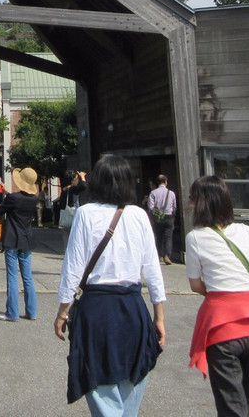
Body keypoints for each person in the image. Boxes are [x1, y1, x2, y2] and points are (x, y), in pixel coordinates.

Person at [53, 155, 165, 417]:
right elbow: (153, 271)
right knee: (131, 382)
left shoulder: (85, 214)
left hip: (97, 311)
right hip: (134, 309)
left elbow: (73, 268)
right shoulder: (139, 215)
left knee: (100, 385)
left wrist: (62, 312)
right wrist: (159, 316)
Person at [185, 175, 249, 417]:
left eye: (192, 198)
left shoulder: (195, 237)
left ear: (201, 203)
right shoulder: (247, 232)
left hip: (221, 328)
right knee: (242, 397)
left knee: (231, 403)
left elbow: (196, 286)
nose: (189, 203)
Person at [0, 167, 40, 321]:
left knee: (12, 276)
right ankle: (31, 312)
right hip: (26, 239)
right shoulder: (34, 199)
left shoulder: (13, 198)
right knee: (27, 277)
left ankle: (12, 313)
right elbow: (18, 201)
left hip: (12, 239)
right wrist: (7, 194)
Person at [147, 174, 177, 265]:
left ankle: (159, 256)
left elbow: (150, 207)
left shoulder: (153, 193)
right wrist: (173, 215)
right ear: (166, 182)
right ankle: (167, 256)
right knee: (168, 237)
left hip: (158, 218)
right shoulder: (171, 193)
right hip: (169, 217)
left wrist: (154, 215)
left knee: (158, 236)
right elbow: (174, 207)